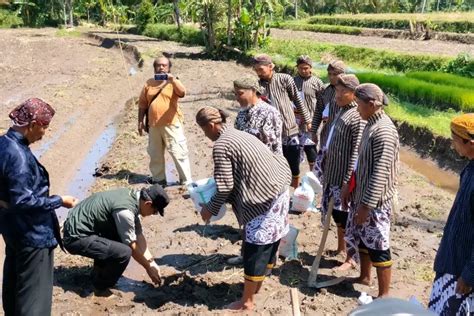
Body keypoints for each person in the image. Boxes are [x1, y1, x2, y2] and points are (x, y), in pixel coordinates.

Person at [196, 106, 291, 311]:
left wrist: (209, 209)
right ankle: (256, 287)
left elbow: (225, 186)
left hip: (264, 198)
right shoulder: (238, 133)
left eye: (204, 130)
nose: (206, 135)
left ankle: (247, 301)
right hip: (280, 188)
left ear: (212, 125)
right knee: (270, 243)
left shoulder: (222, 145)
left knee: (255, 248)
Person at [0, 98, 78, 316]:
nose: (44, 133)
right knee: (35, 301)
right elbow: (23, 201)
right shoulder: (19, 156)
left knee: (15, 290)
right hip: (33, 235)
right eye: (44, 127)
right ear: (32, 125)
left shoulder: (3, 143)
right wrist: (59, 200)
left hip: (12, 231)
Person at [342, 83, 399, 298]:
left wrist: (367, 206)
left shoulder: (383, 130)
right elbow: (359, 161)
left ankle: (383, 294)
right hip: (362, 194)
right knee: (364, 238)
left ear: (372, 104)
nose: (357, 109)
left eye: (359, 105)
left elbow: (381, 173)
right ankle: (364, 276)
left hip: (375, 201)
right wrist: (349, 184)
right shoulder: (370, 123)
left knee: (378, 244)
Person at [63, 185, 169, 295]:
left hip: (86, 229)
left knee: (121, 235)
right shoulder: (125, 211)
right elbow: (132, 246)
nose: (153, 214)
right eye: (155, 211)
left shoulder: (133, 197)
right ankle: (100, 287)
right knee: (124, 252)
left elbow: (138, 234)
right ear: (148, 204)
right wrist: (147, 268)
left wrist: (151, 262)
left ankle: (99, 272)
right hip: (76, 237)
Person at [428, 113, 474, 315]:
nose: (453, 144)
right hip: (452, 258)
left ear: (470, 142)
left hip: (463, 269)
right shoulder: (469, 168)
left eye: (455, 139)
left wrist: (469, 274)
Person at [321, 74, 365, 271]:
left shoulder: (358, 116)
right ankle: (341, 248)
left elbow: (356, 153)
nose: (337, 95)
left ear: (354, 94)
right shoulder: (341, 110)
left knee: (347, 218)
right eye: (337, 90)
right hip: (333, 174)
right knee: (339, 216)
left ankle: (351, 258)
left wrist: (348, 181)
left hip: (344, 178)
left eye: (342, 92)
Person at [253, 54, 311, 188]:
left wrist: (307, 120)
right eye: (256, 70)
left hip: (289, 128)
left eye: (261, 69)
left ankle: (296, 191)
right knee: (275, 163)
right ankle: (278, 190)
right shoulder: (257, 86)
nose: (258, 73)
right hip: (270, 133)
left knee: (294, 162)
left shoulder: (285, 79)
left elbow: (297, 100)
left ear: (270, 67)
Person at [138, 56, 192, 186]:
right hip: (154, 125)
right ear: (154, 68)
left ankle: (186, 182)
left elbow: (183, 93)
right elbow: (142, 104)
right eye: (158, 65)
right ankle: (159, 180)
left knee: (178, 152)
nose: (161, 67)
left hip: (171, 124)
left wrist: (173, 80)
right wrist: (140, 121)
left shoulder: (173, 82)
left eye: (164, 65)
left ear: (169, 68)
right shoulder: (149, 83)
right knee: (155, 154)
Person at [311, 60, 346, 181]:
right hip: (326, 134)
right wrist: (314, 131)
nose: (331, 77)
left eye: (335, 74)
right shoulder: (325, 91)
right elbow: (318, 112)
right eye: (329, 74)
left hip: (343, 137)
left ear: (343, 74)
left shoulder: (350, 92)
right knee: (324, 166)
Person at [233, 77, 283, 155]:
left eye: (240, 94)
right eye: (235, 94)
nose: (237, 98)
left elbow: (272, 146)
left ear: (253, 91)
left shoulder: (269, 112)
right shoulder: (241, 113)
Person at [293, 55, 324, 171]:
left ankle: (313, 176)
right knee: (294, 150)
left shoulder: (317, 83)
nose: (303, 70)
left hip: (312, 122)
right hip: (295, 123)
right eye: (300, 68)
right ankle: (295, 176)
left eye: (306, 68)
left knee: (311, 149)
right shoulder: (293, 81)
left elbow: (322, 103)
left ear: (310, 67)